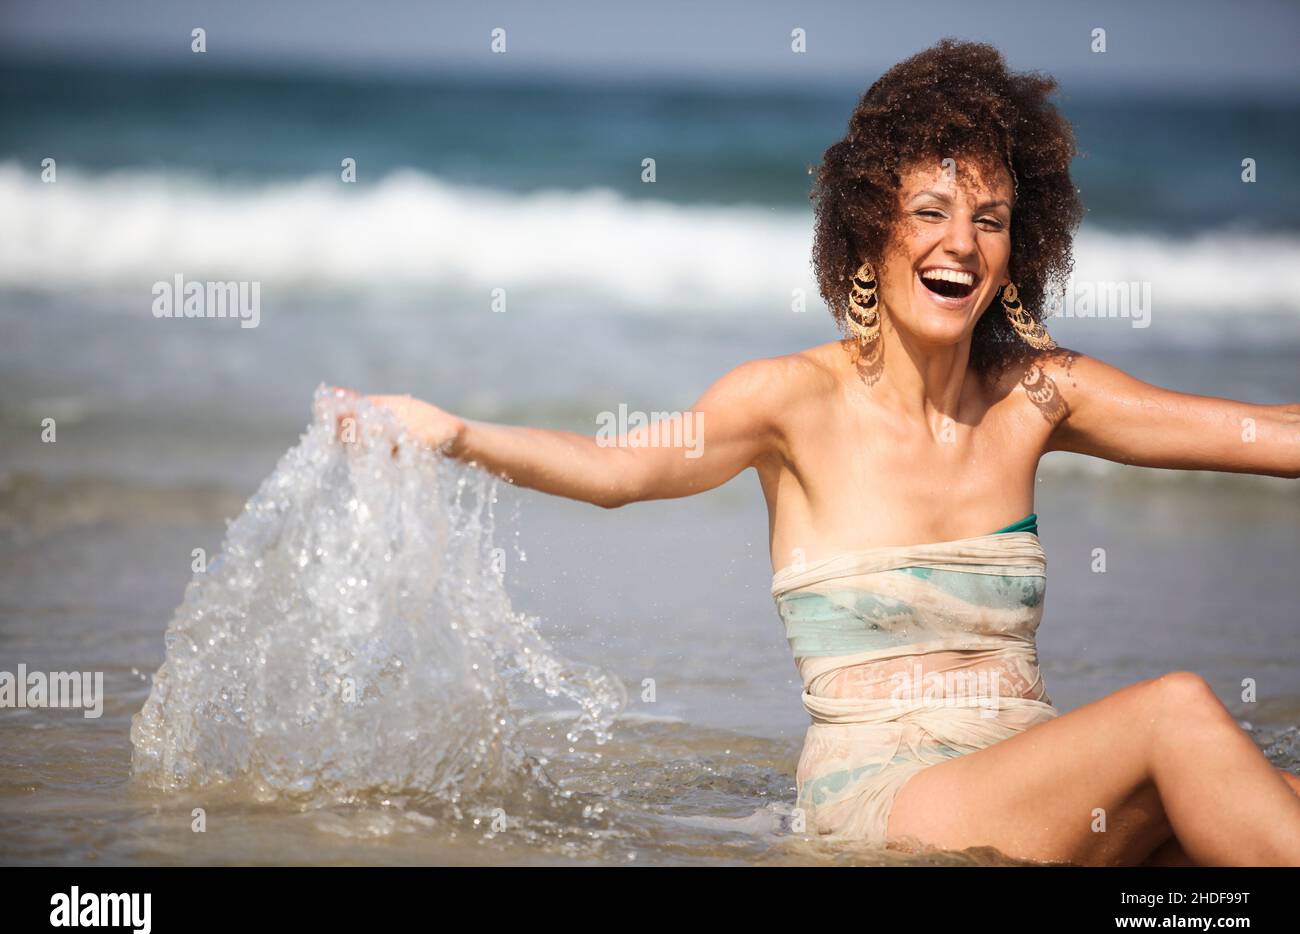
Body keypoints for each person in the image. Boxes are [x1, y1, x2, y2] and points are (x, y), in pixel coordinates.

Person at [336, 39, 1300, 865]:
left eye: (990, 219)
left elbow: (1268, 433)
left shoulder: (1038, 391)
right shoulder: (789, 400)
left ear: (1021, 246)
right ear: (869, 227)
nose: (959, 242)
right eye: (930, 210)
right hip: (890, 805)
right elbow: (620, 471)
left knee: (1229, 835)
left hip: (1032, 784)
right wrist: (452, 433)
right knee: (1177, 713)